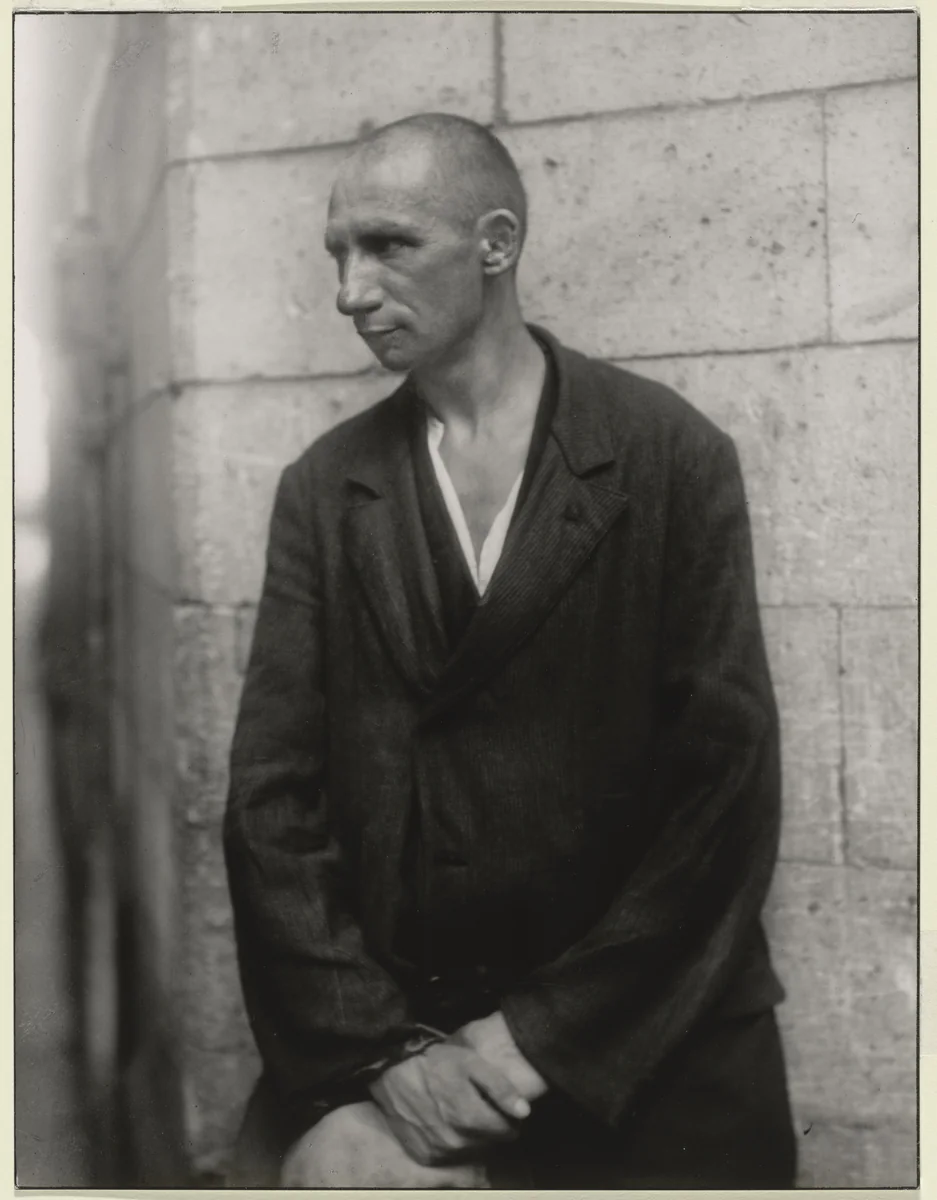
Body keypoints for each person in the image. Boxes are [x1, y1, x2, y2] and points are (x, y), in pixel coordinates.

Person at [224, 111, 796, 1188]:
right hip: (406, 1054)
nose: (350, 290)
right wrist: (382, 1055)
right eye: (337, 254)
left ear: (495, 244)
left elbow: (724, 793)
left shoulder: (668, 456)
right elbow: (271, 806)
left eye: (388, 245)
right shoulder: (324, 488)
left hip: (646, 1056)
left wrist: (537, 1035)